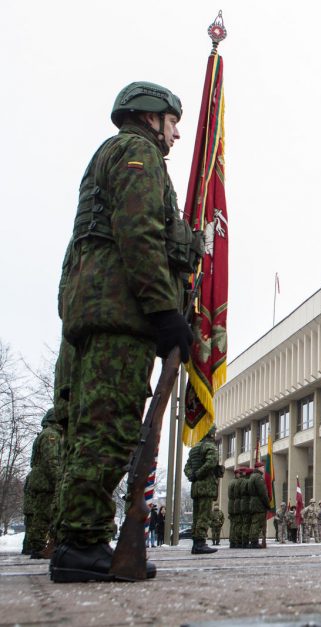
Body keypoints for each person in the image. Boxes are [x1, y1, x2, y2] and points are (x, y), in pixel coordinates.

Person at [51, 81, 202, 583]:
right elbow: (137, 232)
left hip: (106, 308)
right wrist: (163, 311)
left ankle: (80, 536)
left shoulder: (119, 154)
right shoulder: (136, 151)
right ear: (150, 116)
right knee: (111, 428)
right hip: (121, 312)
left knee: (97, 426)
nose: (177, 133)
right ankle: (82, 542)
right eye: (173, 121)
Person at [22, 409, 62, 559]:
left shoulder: (49, 434)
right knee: (44, 514)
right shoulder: (51, 435)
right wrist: (59, 478)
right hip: (45, 481)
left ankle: (36, 546)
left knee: (42, 514)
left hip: (43, 480)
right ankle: (37, 547)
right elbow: (50, 460)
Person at [185, 425, 221, 554]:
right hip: (206, 485)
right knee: (204, 515)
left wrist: (193, 476)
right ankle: (200, 543)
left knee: (196, 516)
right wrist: (199, 473)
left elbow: (187, 467)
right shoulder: (210, 446)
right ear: (211, 433)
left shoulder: (194, 448)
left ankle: (196, 543)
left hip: (196, 487)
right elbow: (211, 463)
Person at [247, 462, 270, 548]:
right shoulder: (258, 477)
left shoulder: (252, 476)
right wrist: (267, 504)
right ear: (259, 468)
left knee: (254, 522)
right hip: (259, 503)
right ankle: (254, 541)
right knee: (257, 523)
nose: (264, 469)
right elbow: (263, 493)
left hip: (254, 502)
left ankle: (253, 541)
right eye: (263, 467)